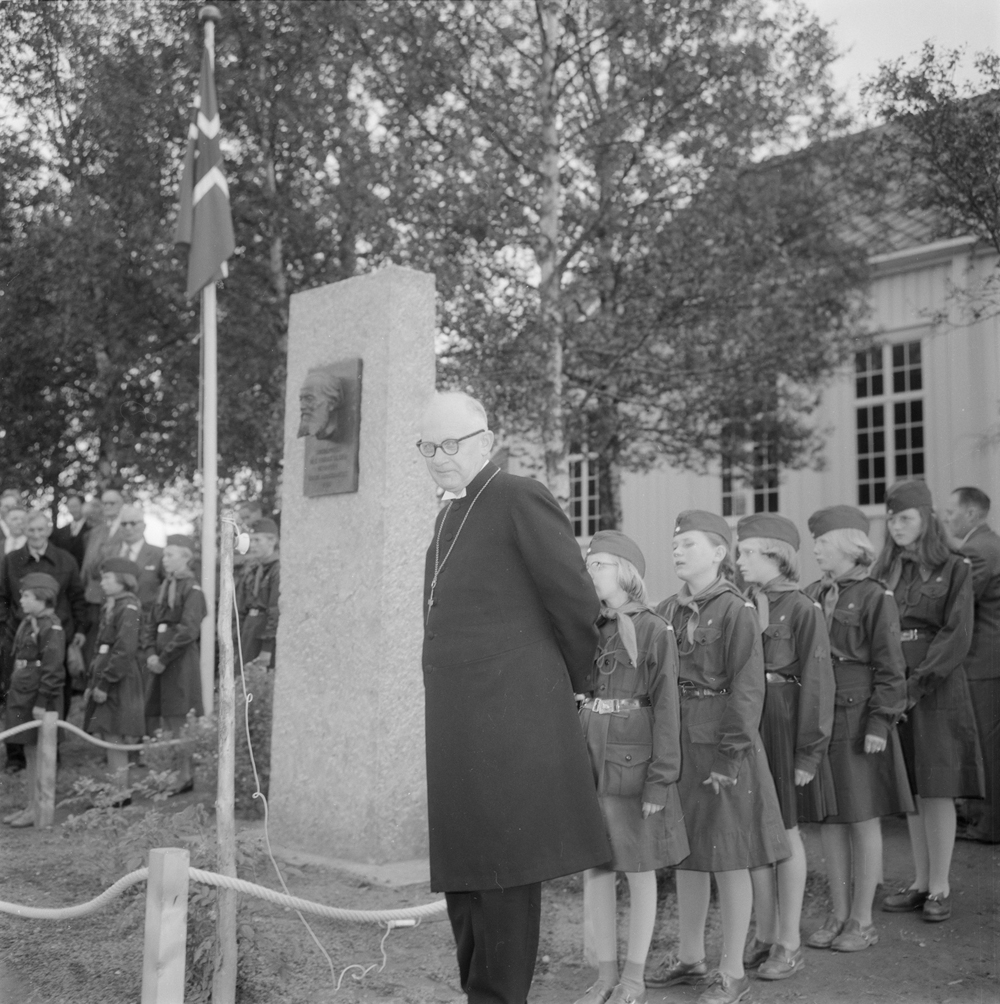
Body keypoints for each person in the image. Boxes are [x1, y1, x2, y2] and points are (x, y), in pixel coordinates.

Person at [419, 391, 610, 1004]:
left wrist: (572, 692)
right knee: (466, 875)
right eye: (428, 447)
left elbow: (575, 602)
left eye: (451, 444)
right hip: (460, 727)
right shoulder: (450, 513)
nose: (439, 457)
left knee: (502, 875)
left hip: (509, 723)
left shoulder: (516, 494)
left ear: (485, 439)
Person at [647, 511, 788, 1004]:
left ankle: (731, 971)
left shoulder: (736, 610)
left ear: (719, 552)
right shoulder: (668, 608)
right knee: (685, 854)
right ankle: (690, 957)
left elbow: (748, 691)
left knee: (729, 859)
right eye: (674, 543)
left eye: (688, 543)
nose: (677, 551)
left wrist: (730, 759)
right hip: (678, 747)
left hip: (723, 750)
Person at [576, 530, 689, 1004]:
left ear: (625, 572)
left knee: (640, 871)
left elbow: (666, 709)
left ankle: (634, 979)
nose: (590, 571)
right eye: (588, 562)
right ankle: (604, 976)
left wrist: (660, 781)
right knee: (597, 870)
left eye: (599, 564)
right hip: (590, 761)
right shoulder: (587, 626)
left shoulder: (654, 629)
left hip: (633, 764)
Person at [800, 505, 912, 952]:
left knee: (862, 819)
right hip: (820, 718)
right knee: (829, 819)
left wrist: (881, 721)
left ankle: (863, 920)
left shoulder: (874, 596)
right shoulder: (812, 593)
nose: (816, 550)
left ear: (849, 544)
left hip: (858, 716)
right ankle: (838, 912)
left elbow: (891, 665)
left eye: (823, 543)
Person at [872, 481, 982, 923]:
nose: (897, 527)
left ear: (926, 519)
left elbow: (956, 635)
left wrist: (914, 687)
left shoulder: (956, 567)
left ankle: (940, 887)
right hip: (893, 686)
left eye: (906, 518)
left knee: (936, 789)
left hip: (933, 691)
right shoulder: (886, 571)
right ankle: (919, 883)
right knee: (911, 790)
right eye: (892, 519)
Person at [736, 514, 835, 981]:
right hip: (748, 721)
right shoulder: (742, 604)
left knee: (786, 832)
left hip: (782, 722)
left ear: (777, 554)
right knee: (755, 831)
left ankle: (789, 941)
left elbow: (818, 681)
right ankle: (765, 931)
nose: (739, 560)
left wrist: (809, 752)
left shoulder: (802, 608)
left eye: (747, 551)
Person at [0, 510, 88, 765]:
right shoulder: (11, 560)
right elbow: (3, 596)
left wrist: (80, 630)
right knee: (15, 691)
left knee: (54, 690)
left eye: (41, 530)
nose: (36, 535)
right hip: (19, 634)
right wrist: (7, 624)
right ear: (24, 532)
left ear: (49, 530)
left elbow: (77, 598)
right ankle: (16, 755)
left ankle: (51, 750)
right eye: (31, 530)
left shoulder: (65, 560)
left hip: (55, 634)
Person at [943, 486, 1000, 843]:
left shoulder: (976, 551)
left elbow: (959, 605)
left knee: (984, 744)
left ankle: (987, 824)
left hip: (982, 660)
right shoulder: (989, 544)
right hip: (989, 659)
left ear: (973, 514)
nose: (947, 518)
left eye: (952, 512)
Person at [142, 534, 205, 794]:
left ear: (186, 558)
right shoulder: (165, 586)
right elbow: (150, 622)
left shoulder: (192, 589)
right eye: (164, 554)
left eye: (170, 554)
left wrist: (164, 657)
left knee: (180, 716)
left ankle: (185, 774)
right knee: (165, 718)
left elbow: (189, 629)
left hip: (178, 661)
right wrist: (149, 653)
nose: (164, 559)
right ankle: (170, 772)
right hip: (159, 658)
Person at [2, 573, 65, 827]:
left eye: (26, 595)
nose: (21, 600)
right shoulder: (29, 623)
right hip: (23, 690)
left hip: (38, 696)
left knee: (39, 751)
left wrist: (41, 702)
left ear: (43, 596)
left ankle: (39, 807)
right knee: (29, 751)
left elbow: (53, 669)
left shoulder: (51, 626)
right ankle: (31, 804)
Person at [82, 557, 145, 804]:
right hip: (106, 674)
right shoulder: (112, 604)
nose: (103, 582)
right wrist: (92, 683)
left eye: (108, 578)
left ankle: (120, 793)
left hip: (119, 678)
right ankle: (116, 790)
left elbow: (124, 649)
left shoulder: (128, 607)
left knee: (116, 734)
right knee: (109, 735)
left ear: (123, 580)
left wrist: (105, 684)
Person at [235, 517, 280, 669]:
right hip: (248, 631)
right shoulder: (252, 569)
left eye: (257, 540)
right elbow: (241, 608)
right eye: (250, 541)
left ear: (272, 541)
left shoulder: (277, 569)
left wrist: (266, 649)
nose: (252, 545)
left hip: (264, 631)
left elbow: (275, 610)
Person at [111, 505, 163, 611]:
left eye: (133, 523)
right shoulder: (109, 553)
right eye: (124, 524)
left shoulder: (158, 554)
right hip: (116, 617)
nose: (128, 528)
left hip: (146, 618)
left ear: (144, 526)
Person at [51, 494, 90, 569]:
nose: (73, 510)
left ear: (84, 506)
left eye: (75, 506)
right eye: (70, 507)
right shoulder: (61, 531)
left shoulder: (91, 529)